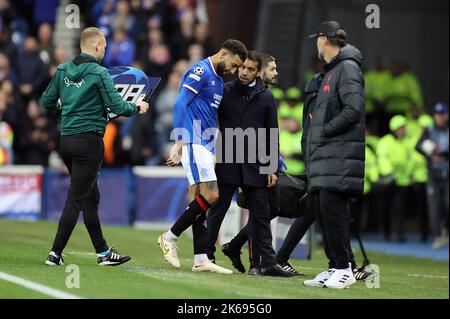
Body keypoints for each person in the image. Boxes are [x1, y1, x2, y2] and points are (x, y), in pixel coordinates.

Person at [40, 27, 149, 266]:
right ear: (98, 45)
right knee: (76, 199)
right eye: (105, 46)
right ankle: (54, 254)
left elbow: (46, 101)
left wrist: (64, 109)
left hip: (66, 141)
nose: (105, 50)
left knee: (90, 196)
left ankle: (103, 253)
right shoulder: (99, 73)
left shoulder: (62, 69)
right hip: (89, 143)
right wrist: (137, 107)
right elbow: (118, 107)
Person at [158, 39, 247, 274]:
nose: (234, 71)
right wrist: (178, 140)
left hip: (205, 144)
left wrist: (214, 149)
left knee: (198, 200)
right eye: (234, 65)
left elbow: (210, 117)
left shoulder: (218, 81)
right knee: (212, 195)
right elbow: (180, 104)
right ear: (223, 54)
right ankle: (169, 237)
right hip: (193, 141)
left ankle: (200, 259)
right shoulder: (201, 71)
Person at [205, 51, 292, 277]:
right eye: (242, 67)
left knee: (261, 214)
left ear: (258, 71)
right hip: (228, 157)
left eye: (250, 69)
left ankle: (268, 262)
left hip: (254, 162)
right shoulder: (225, 90)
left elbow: (272, 133)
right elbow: (209, 117)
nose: (244, 72)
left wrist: (272, 166)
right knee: (218, 209)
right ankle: (206, 255)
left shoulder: (266, 97)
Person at [303, 21, 365, 289]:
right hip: (326, 157)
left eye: (316, 40)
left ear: (323, 40)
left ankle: (344, 268)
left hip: (338, 157)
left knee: (333, 211)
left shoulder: (347, 68)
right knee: (323, 210)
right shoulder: (332, 71)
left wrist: (324, 128)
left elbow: (353, 110)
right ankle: (334, 266)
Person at [416, 103, 449, 249]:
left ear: (446, 115)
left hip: (447, 174)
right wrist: (430, 152)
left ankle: (445, 230)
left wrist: (444, 154)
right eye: (436, 114)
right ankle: (437, 236)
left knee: (447, 204)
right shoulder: (429, 131)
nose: (439, 117)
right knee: (434, 207)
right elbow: (418, 146)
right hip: (433, 175)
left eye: (441, 114)